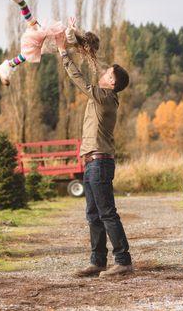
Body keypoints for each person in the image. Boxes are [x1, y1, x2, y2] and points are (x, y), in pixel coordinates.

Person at [55, 31, 132, 278]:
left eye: (108, 74)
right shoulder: (104, 93)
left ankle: (123, 261)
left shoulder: (105, 98)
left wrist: (63, 54)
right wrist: (87, 50)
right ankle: (98, 261)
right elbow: (97, 70)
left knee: (107, 212)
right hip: (90, 161)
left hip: (100, 162)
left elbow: (80, 81)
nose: (103, 74)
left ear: (112, 83)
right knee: (93, 214)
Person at [0, 0, 100, 86]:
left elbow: (70, 34)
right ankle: (7, 66)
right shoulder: (74, 41)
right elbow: (69, 34)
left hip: (46, 37)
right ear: (85, 48)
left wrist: (72, 29)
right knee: (28, 51)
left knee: (29, 26)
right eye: (84, 53)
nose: (82, 54)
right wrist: (71, 29)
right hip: (45, 40)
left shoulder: (76, 40)